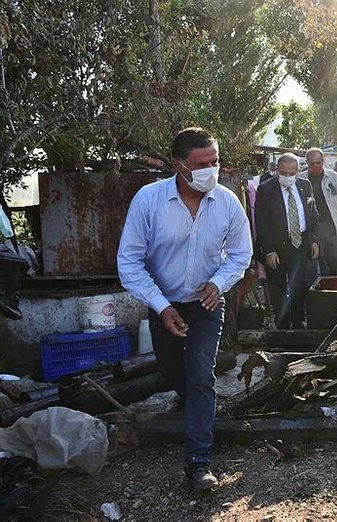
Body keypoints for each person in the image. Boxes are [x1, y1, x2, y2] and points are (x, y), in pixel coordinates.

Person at [117, 127, 252, 492]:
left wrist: (218, 283)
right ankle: (191, 403)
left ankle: (198, 461)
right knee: (172, 369)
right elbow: (129, 262)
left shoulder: (227, 203)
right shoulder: (149, 201)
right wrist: (161, 307)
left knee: (201, 373)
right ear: (178, 165)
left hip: (206, 304)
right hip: (163, 303)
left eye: (215, 162)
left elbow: (240, 253)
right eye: (201, 165)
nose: (212, 170)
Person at [254, 153, 319, 329]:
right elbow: (261, 223)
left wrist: (314, 240)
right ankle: (282, 325)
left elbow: (313, 214)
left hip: (300, 244)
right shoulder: (266, 189)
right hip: (277, 247)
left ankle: (298, 322)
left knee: (299, 285)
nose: (287, 177)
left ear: (298, 171)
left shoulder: (305, 185)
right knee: (278, 287)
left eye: (291, 173)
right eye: (283, 173)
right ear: (277, 171)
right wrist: (269, 250)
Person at [300, 148, 337, 276]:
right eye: (312, 163)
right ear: (307, 163)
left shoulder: (333, 177)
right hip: (310, 229)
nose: (315, 166)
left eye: (318, 163)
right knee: (312, 265)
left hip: (330, 226)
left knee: (335, 264)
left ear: (323, 161)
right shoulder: (301, 179)